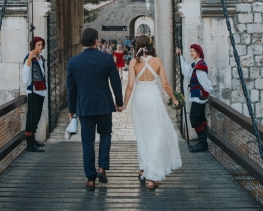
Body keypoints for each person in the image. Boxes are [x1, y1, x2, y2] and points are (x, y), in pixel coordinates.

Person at [119, 35, 182, 189]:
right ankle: (152, 176)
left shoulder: (133, 62)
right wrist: (174, 99)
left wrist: (124, 104)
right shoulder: (157, 61)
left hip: (139, 100)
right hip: (153, 98)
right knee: (156, 134)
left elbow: (130, 85)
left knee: (142, 134)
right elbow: (166, 85)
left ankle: (143, 168)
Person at [67, 28, 123, 191]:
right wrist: (118, 102)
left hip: (84, 106)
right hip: (104, 105)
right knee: (105, 134)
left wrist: (72, 109)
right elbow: (115, 82)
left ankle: (90, 178)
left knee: (88, 141)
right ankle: (102, 168)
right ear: (96, 41)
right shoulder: (106, 59)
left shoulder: (73, 62)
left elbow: (71, 88)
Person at [176, 44, 213, 152]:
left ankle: (202, 143)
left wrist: (208, 90)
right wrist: (180, 56)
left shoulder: (200, 66)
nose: (191, 53)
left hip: (199, 97)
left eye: (193, 51)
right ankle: (203, 142)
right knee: (200, 118)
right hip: (197, 96)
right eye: (191, 51)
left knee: (194, 118)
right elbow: (185, 71)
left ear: (199, 53)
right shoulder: (195, 65)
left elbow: (204, 80)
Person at [23, 36, 47, 153]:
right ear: (33, 46)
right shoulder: (30, 58)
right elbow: (25, 79)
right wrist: (29, 60)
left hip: (41, 91)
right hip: (33, 92)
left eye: (42, 45)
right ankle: (30, 144)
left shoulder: (41, 58)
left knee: (36, 117)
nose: (41, 47)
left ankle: (33, 139)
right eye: (38, 45)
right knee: (31, 118)